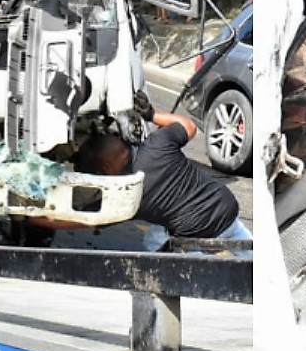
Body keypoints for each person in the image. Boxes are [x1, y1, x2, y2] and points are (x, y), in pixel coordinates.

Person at [76, 94, 253, 255]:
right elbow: (189, 126)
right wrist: (152, 115)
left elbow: (94, 219)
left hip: (196, 233)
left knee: (155, 242)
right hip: (225, 207)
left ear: (107, 166)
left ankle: (186, 278)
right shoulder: (157, 144)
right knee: (250, 254)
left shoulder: (128, 194)